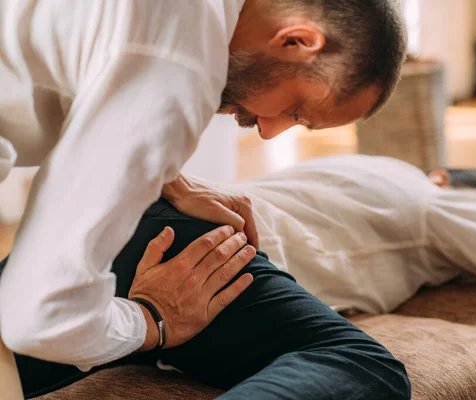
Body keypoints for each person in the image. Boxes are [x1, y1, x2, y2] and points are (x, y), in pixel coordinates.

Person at [0, 0, 408, 398]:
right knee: (363, 366)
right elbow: (37, 318)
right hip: (179, 246)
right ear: (296, 41)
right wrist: (151, 320)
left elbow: (90, 70)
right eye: (296, 110)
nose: (268, 132)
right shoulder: (177, 62)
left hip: (164, 231)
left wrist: (165, 176)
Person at [229, 154, 476, 314]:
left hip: (204, 225)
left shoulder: (372, 169)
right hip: (235, 263)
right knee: (371, 369)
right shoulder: (437, 203)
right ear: (441, 179)